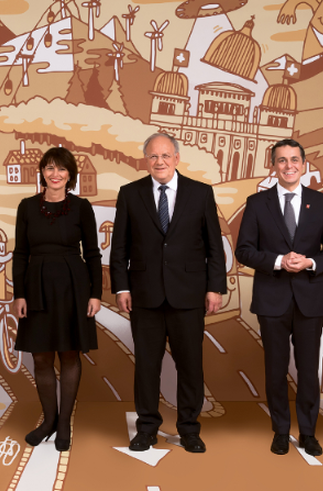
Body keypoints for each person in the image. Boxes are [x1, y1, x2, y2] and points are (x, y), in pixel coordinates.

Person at [110, 133, 226, 453]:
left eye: (165, 156)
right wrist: (121, 286)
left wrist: (215, 286)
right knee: (147, 365)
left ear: (176, 158)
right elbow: (119, 247)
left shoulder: (200, 193)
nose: (159, 162)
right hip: (144, 295)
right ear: (145, 160)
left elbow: (214, 247)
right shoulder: (130, 194)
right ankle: (146, 427)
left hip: (189, 295)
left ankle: (189, 428)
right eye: (152, 157)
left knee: (190, 365)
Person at [235, 139, 323, 456]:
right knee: (275, 369)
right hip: (272, 299)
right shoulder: (256, 203)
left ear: (304, 164)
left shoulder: (321, 203)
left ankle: (308, 432)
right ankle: (280, 430)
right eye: (282, 160)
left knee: (309, 371)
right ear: (274, 166)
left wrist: (309, 262)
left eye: (294, 159)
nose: (289, 165)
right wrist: (280, 261)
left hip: (309, 299)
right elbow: (244, 250)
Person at [12, 147, 101, 452]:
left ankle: (64, 424)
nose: (55, 174)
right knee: (40, 356)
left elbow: (92, 254)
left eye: (61, 169)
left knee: (69, 354)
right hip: (35, 285)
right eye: (49, 168)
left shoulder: (81, 207)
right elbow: (20, 253)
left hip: (72, 285)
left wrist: (95, 294)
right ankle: (49, 420)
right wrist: (19, 293)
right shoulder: (26, 207)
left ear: (70, 175)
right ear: (42, 173)